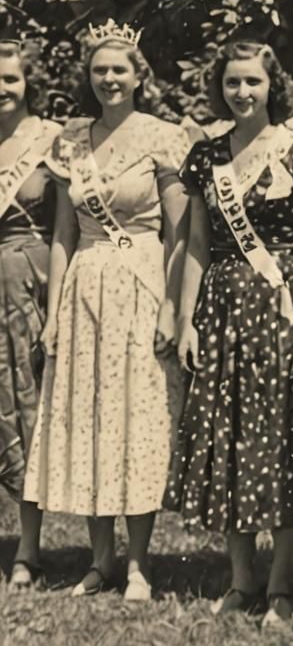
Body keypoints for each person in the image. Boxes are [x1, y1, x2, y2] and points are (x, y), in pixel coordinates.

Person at [165, 41, 293, 628]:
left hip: (283, 305)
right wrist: (185, 319)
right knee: (230, 439)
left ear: (272, 85)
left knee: (284, 437)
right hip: (222, 309)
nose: (242, 93)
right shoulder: (207, 155)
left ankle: (281, 587)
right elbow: (196, 248)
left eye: (253, 83)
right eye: (232, 83)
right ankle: (242, 580)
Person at [24, 18, 190, 600]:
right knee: (91, 418)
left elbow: (180, 231)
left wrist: (173, 307)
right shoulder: (72, 141)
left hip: (142, 282)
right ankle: (101, 560)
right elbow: (64, 233)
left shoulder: (163, 136)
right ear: (88, 77)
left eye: (119, 69)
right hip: (86, 290)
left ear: (139, 75)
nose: (109, 79)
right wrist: (53, 312)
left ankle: (140, 562)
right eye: (99, 70)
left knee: (135, 420)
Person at [0, 39, 62, 588]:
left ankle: (28, 546)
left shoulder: (52, 141)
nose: (1, 89)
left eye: (10, 79)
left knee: (24, 401)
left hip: (31, 280)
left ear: (28, 84)